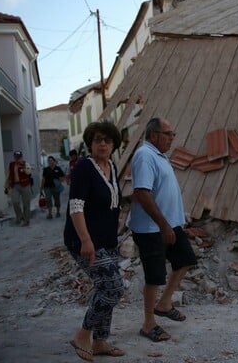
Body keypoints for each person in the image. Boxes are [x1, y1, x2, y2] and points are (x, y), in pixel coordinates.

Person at [128, 117, 197, 343]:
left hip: (169, 225)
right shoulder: (144, 156)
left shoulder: (159, 156)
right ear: (154, 135)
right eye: (168, 133)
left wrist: (171, 223)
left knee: (186, 259)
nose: (172, 138)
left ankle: (164, 303)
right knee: (155, 276)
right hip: (151, 229)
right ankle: (148, 324)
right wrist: (163, 225)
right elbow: (142, 193)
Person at [64, 121, 125, 361]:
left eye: (107, 140)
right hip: (84, 241)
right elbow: (76, 207)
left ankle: (100, 341)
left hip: (108, 239)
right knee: (113, 287)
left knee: (104, 287)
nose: (103, 143)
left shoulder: (111, 165)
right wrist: (85, 240)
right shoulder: (84, 167)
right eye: (98, 139)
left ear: (113, 145)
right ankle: (83, 334)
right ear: (90, 143)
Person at [4, 150, 33, 226]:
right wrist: (6, 186)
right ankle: (20, 217)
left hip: (25, 184)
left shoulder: (25, 163)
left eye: (19, 157)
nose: (17, 158)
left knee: (26, 203)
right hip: (15, 185)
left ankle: (26, 220)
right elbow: (8, 175)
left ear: (21, 157)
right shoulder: (11, 164)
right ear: (14, 157)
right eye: (16, 157)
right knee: (15, 202)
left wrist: (23, 166)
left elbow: (29, 172)